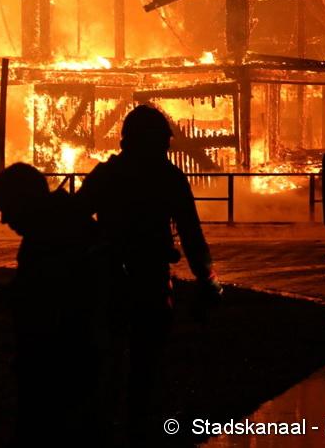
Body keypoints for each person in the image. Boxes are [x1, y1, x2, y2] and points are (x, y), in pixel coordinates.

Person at [74, 104, 222, 442]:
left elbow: (76, 215)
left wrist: (98, 243)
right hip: (149, 279)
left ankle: (104, 426)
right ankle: (136, 425)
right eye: (163, 142)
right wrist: (208, 280)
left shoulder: (107, 175)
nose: (166, 149)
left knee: (108, 356)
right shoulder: (168, 178)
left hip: (111, 279)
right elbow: (191, 234)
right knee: (145, 359)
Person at [0, 162, 100, 447]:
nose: (5, 220)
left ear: (23, 201)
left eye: (6, 208)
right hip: (72, 356)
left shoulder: (49, 237)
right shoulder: (62, 224)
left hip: (59, 360)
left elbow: (48, 297)